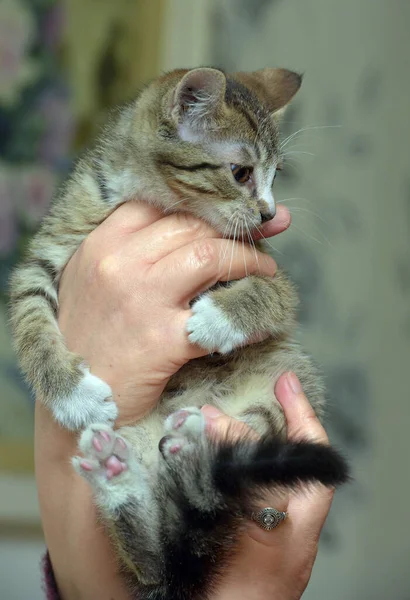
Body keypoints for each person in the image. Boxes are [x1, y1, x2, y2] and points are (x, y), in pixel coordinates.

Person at [36, 202, 336, 599]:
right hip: (170, 424)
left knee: (278, 397)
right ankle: (146, 531)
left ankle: (149, 530)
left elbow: (278, 298)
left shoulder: (236, 227)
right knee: (149, 463)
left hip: (240, 387)